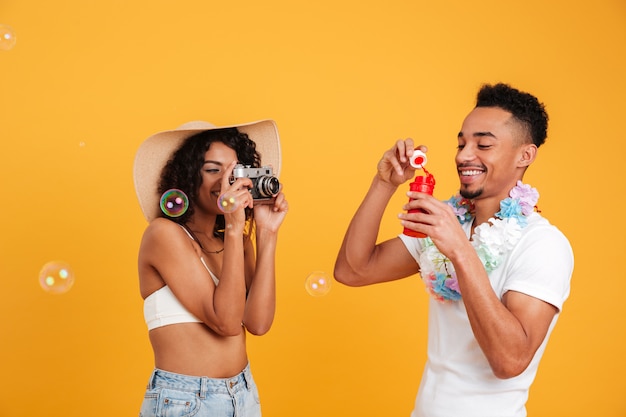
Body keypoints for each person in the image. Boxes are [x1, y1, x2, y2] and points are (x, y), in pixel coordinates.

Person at [334, 83, 573, 417]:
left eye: (483, 144)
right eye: (461, 143)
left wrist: (461, 251)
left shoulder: (543, 244)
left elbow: (510, 361)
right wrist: (384, 183)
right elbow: (352, 270)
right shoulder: (447, 223)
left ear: (525, 155)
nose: (463, 155)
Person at [133, 120, 288, 417]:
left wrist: (267, 234)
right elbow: (227, 323)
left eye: (234, 171)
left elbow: (258, 324)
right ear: (189, 175)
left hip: (243, 394)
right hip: (186, 400)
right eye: (213, 169)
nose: (226, 181)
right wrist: (233, 227)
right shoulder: (164, 234)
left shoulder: (238, 241)